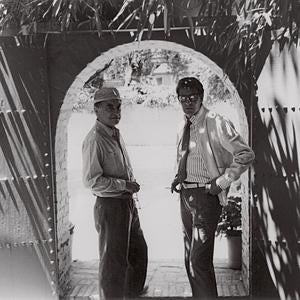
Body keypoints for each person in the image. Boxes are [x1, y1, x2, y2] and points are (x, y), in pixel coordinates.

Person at [171, 77, 255, 299]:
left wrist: (222, 182)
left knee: (199, 261)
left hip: (206, 197)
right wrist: (178, 177)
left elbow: (245, 154)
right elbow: (187, 156)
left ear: (202, 97)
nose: (188, 102)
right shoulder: (183, 124)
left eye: (192, 97)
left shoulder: (216, 121)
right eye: (183, 98)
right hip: (186, 196)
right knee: (190, 258)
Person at [82, 87, 148, 299]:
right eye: (109, 107)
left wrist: (128, 187)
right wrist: (124, 185)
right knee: (113, 265)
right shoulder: (95, 139)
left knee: (138, 255)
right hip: (110, 207)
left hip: (127, 205)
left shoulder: (114, 134)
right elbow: (92, 181)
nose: (116, 112)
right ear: (96, 110)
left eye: (118, 107)